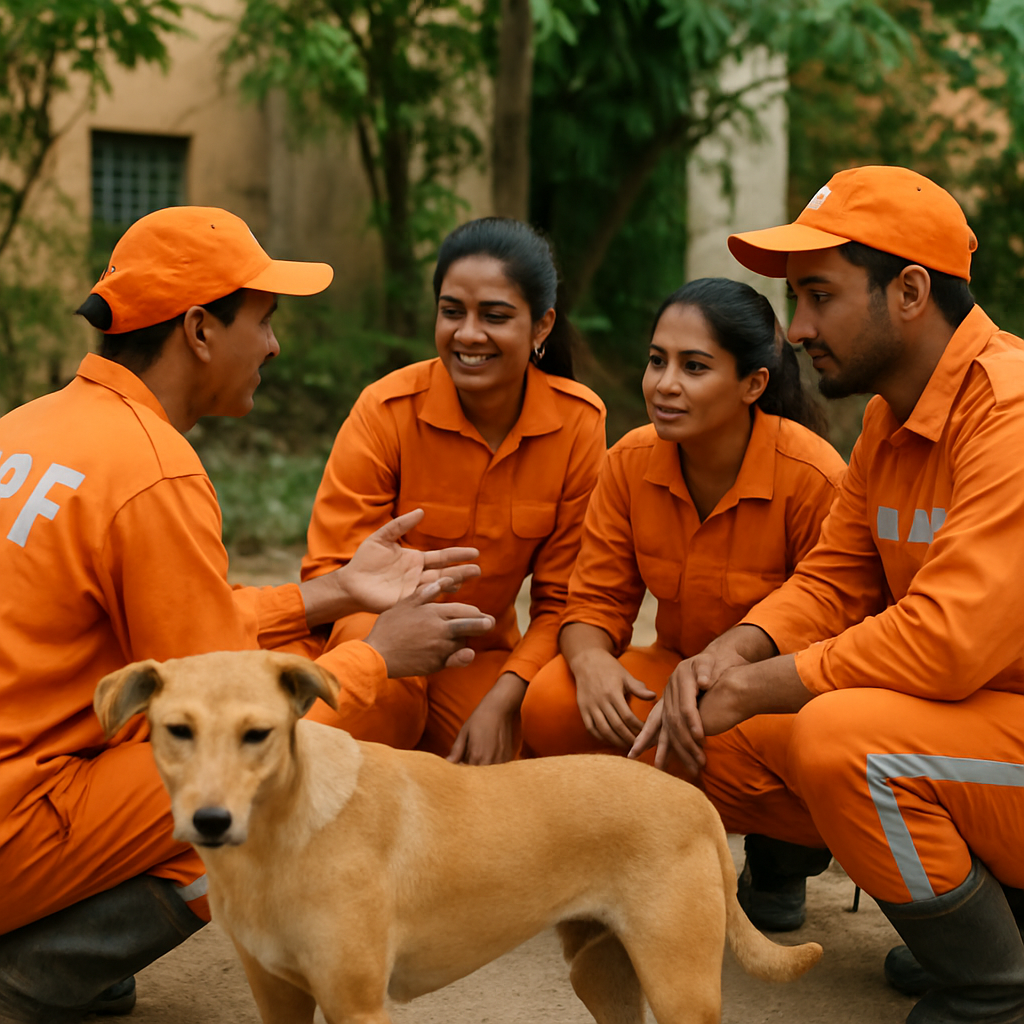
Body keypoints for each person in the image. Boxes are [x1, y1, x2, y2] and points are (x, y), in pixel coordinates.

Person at [0, 206, 494, 1022]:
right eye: (264, 321)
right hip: (20, 825)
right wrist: (380, 656)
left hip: (29, 780)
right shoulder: (156, 470)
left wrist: (333, 593)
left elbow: (178, 624)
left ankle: (58, 933)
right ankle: (43, 967)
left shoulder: (32, 424)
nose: (273, 346)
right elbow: (227, 706)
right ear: (199, 329)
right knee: (271, 772)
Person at [636, 165, 1024, 1024]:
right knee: (686, 721)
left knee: (841, 739)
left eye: (817, 297)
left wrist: (756, 685)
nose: (796, 330)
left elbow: (943, 642)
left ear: (911, 291)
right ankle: (988, 924)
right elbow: (833, 578)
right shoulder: (894, 415)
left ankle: (992, 988)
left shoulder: (1010, 413)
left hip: (997, 730)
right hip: (986, 733)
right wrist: (726, 656)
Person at [519, 277, 845, 929]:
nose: (664, 384)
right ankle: (633, 852)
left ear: (753, 383)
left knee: (823, 752)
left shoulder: (814, 477)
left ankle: (784, 855)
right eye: (656, 359)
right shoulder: (631, 462)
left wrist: (727, 693)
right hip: (671, 671)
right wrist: (591, 665)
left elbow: (836, 626)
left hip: (778, 696)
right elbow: (592, 604)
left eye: (694, 367)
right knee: (552, 704)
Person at [302, 217, 607, 765]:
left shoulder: (577, 423)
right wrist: (384, 645)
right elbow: (331, 571)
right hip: (372, 635)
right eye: (452, 312)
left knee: (536, 753)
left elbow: (563, 599)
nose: (468, 334)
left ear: (541, 327)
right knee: (342, 740)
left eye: (494, 316)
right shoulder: (386, 410)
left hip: (477, 654)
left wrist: (503, 701)